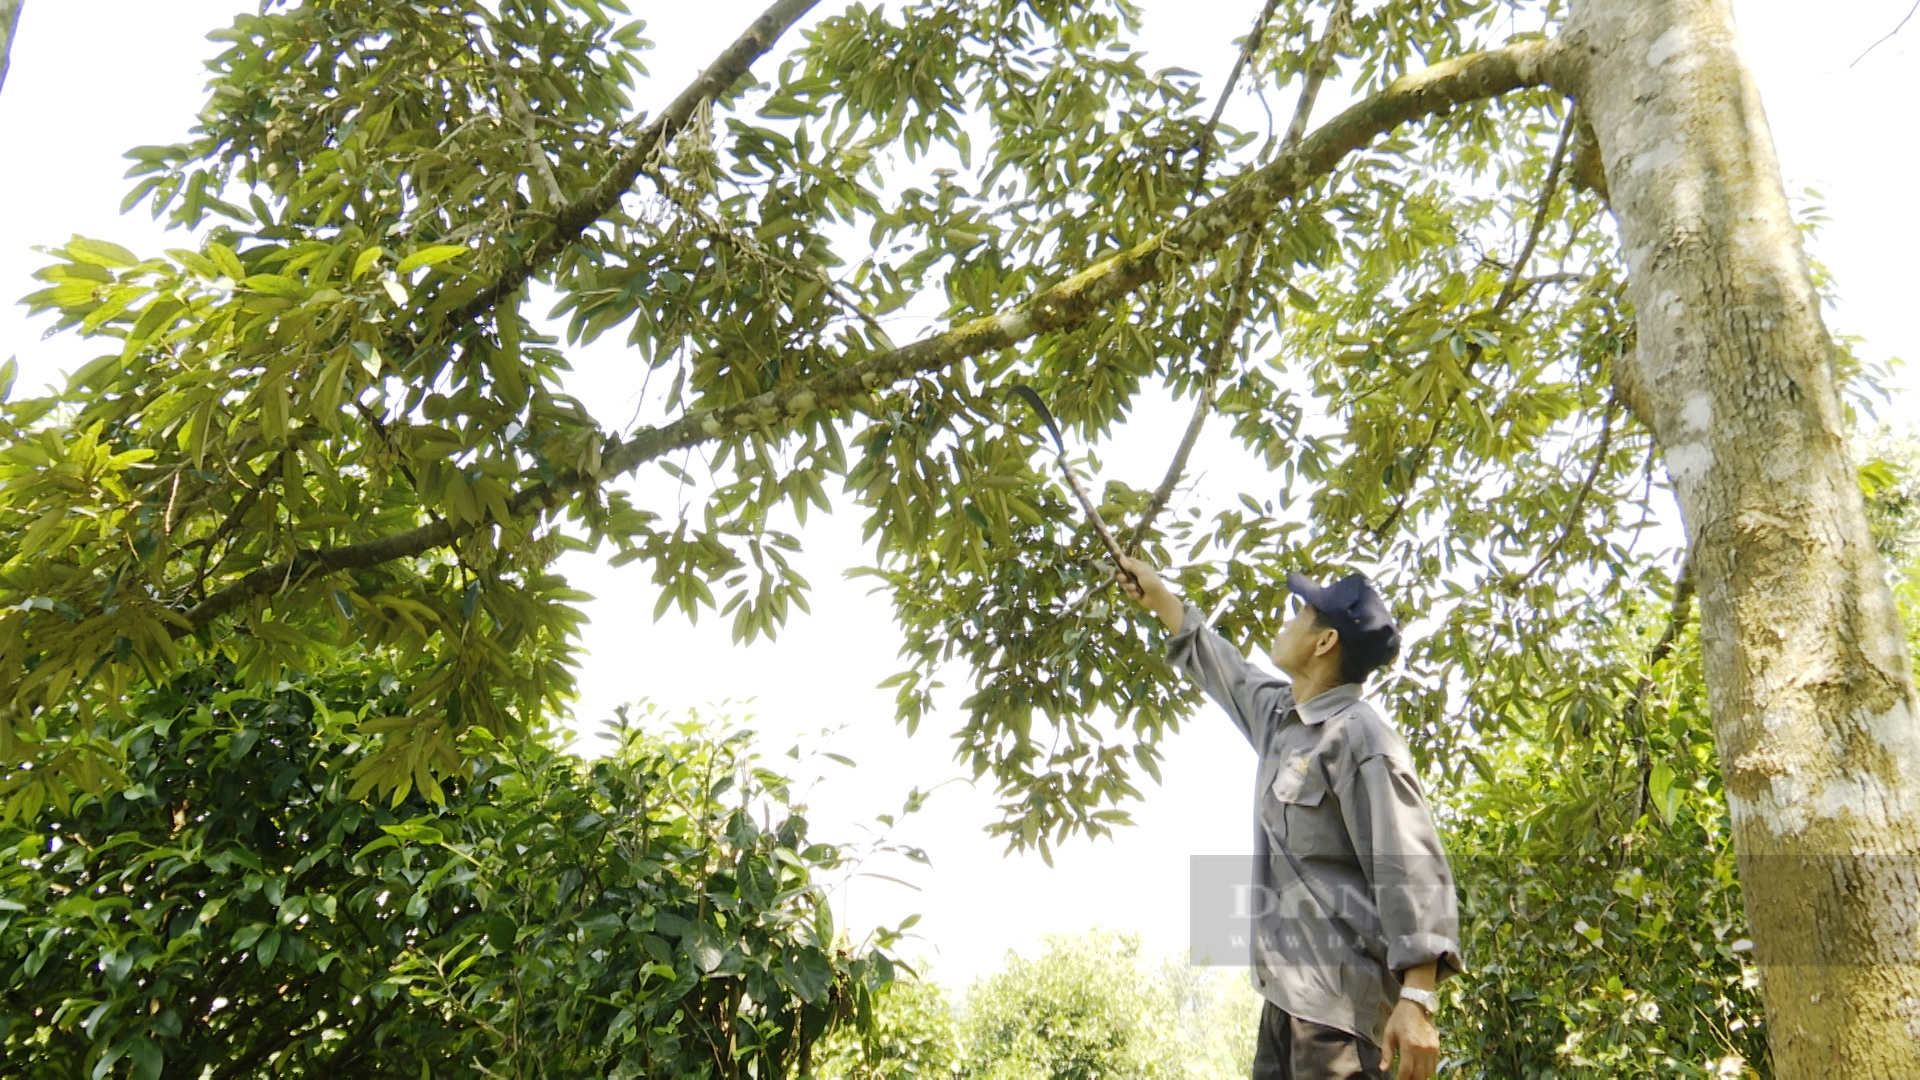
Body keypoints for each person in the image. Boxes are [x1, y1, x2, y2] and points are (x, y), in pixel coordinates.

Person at [1115, 556, 1462, 1080]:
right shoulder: (1283, 720)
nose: (1286, 621)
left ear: (1325, 643)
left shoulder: (1362, 739)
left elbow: (1410, 864)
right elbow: (1225, 671)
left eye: (1300, 613)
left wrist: (1417, 998)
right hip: (1283, 1005)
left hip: (1340, 1020)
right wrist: (1161, 598)